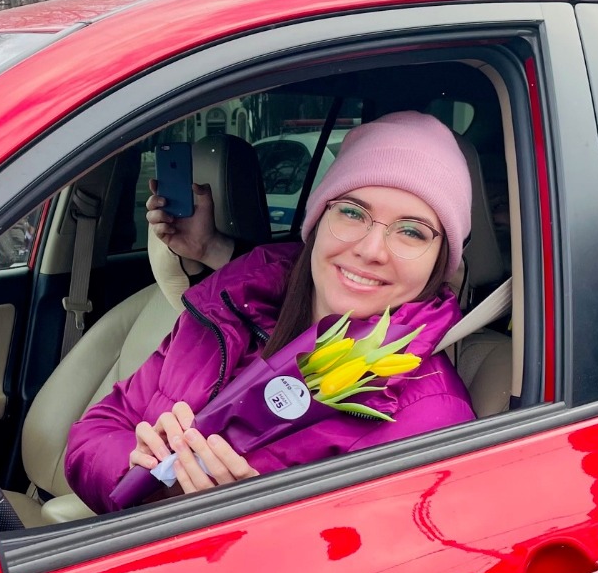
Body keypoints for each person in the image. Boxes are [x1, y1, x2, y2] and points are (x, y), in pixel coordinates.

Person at [65, 111, 478, 513]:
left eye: (411, 231)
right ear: (318, 220)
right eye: (352, 212)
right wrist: (141, 472)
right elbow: (91, 434)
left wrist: (246, 521)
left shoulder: (430, 415)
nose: (371, 251)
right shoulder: (223, 307)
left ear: (440, 260)